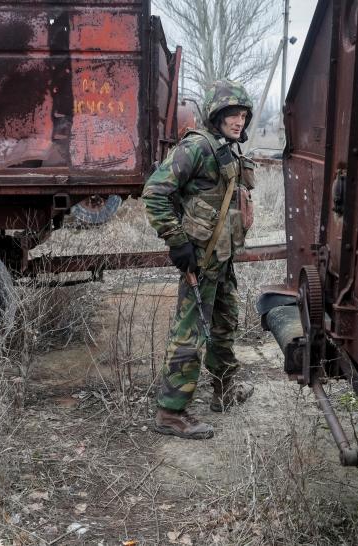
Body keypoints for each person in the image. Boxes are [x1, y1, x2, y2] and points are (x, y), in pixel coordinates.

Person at [142, 80, 257, 439]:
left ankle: (224, 391)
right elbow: (155, 192)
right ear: (215, 114)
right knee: (190, 334)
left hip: (222, 258)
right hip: (201, 260)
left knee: (224, 325)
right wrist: (178, 243)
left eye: (242, 115)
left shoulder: (229, 149)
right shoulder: (197, 147)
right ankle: (171, 413)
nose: (238, 121)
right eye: (231, 114)